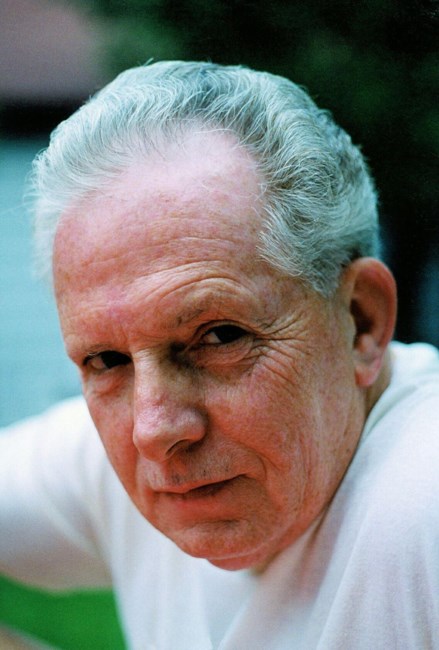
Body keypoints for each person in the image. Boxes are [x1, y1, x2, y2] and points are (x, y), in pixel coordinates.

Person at [1, 61, 439, 649]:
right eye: (106, 360)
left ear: (362, 320)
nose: (155, 430)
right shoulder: (119, 454)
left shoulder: (423, 507)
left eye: (219, 337)